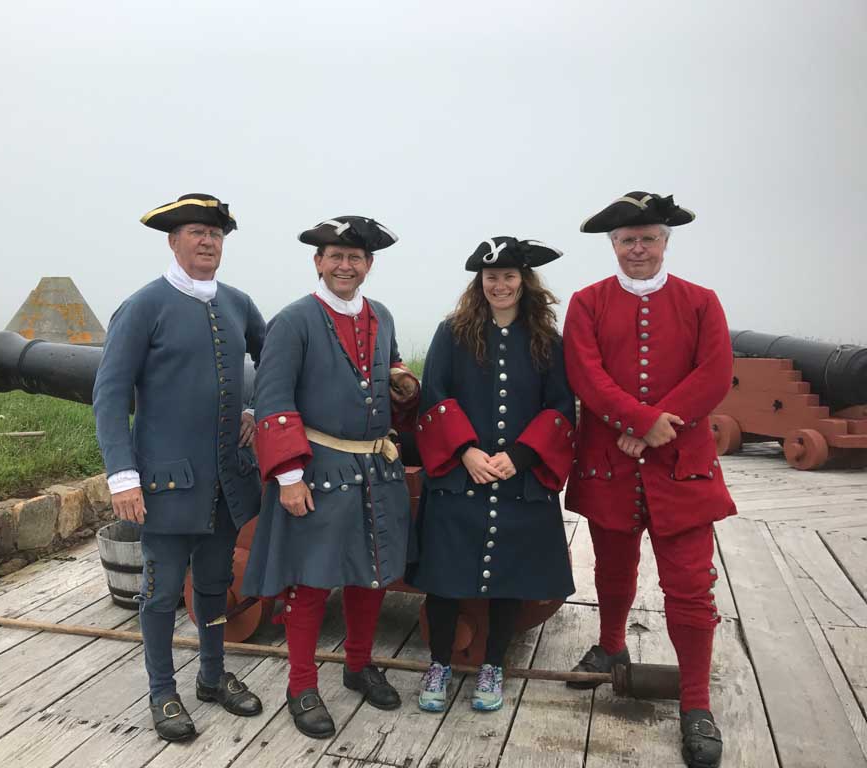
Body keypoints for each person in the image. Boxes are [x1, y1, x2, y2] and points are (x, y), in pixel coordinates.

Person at [563, 191, 735, 768]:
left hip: (681, 466)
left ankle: (695, 704)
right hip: (611, 463)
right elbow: (585, 373)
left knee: (690, 587)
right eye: (627, 240)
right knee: (612, 570)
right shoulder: (586, 304)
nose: (638, 249)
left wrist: (661, 426)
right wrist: (638, 421)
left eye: (649, 238)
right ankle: (611, 646)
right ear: (613, 246)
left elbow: (715, 374)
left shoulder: (702, 302)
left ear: (666, 242)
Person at [93, 193, 265, 742]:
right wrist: (122, 475)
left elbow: (277, 362)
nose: (208, 242)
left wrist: (259, 411)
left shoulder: (238, 304)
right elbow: (111, 393)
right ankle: (162, 691)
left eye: (216, 234)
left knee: (213, 587)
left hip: (225, 483)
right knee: (162, 591)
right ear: (173, 241)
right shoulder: (144, 306)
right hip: (166, 484)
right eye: (197, 232)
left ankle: (212, 676)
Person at [242, 216, 419, 739]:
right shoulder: (294, 321)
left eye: (356, 257)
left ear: (369, 265)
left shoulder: (380, 315)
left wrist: (402, 381)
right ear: (318, 262)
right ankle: (301, 685)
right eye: (336, 255)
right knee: (312, 582)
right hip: (318, 470)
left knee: (373, 574)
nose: (346, 265)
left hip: (376, 469)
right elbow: (272, 399)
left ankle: (359, 664)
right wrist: (289, 475)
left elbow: (388, 366)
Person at [411, 236, 576, 712]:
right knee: (443, 577)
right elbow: (434, 395)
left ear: (524, 281)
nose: (499, 285)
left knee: (511, 578)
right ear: (478, 283)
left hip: (518, 481)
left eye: (508, 276)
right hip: (461, 477)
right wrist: (465, 451)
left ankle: (493, 667)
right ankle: (438, 664)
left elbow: (561, 407)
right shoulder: (453, 333)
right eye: (490, 277)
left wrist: (522, 456)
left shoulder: (548, 340)